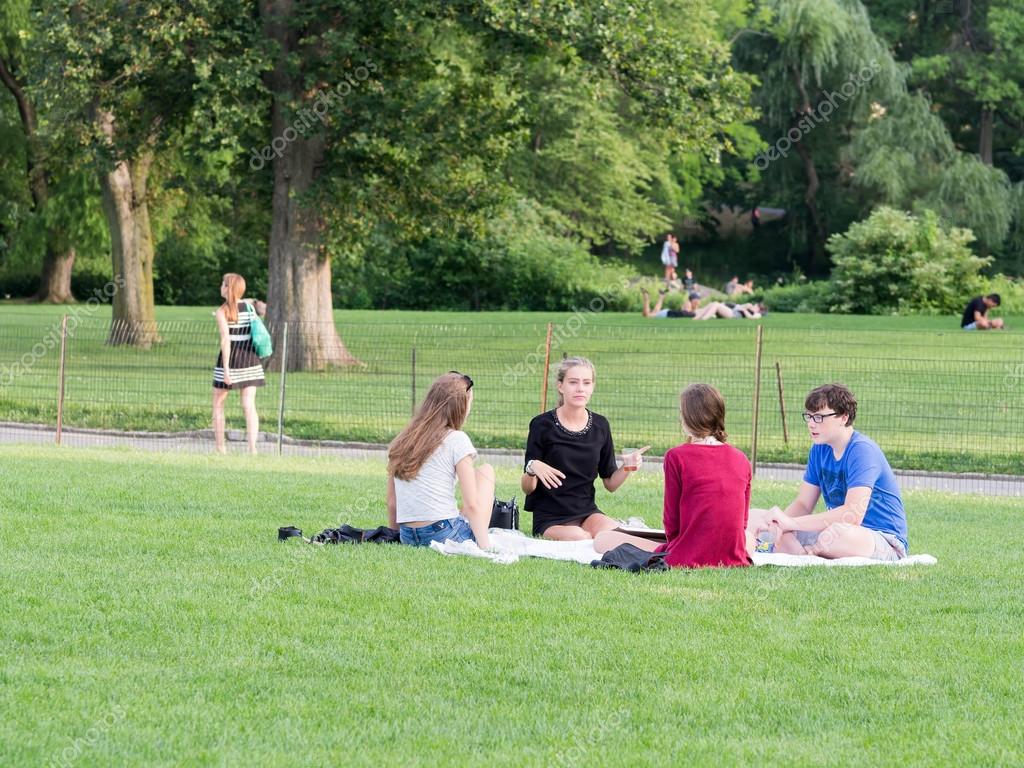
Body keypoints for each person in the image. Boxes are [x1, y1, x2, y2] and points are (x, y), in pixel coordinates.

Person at [595, 383, 751, 568]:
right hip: (733, 554)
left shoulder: (676, 456)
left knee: (603, 539)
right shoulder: (741, 458)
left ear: (687, 418)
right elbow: (743, 521)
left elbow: (672, 522)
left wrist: (680, 545)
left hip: (689, 553)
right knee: (748, 537)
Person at [750, 383, 909, 561]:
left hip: (880, 540)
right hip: (831, 533)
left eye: (818, 417)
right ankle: (801, 554)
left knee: (837, 533)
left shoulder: (862, 450)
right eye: (809, 417)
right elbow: (803, 504)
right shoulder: (819, 449)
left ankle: (796, 550)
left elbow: (852, 515)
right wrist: (780, 524)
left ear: (843, 417)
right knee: (754, 517)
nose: (811, 424)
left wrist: (792, 523)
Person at [522, 357, 647, 540]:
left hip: (587, 514)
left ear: (592, 387)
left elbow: (610, 483)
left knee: (615, 536)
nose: (580, 388)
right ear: (560, 386)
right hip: (550, 518)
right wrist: (532, 467)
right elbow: (527, 488)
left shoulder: (601, 425)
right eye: (573, 382)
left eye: (586, 383)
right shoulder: (541, 425)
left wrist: (628, 467)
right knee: (581, 539)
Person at [386, 372, 495, 548]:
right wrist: (485, 547)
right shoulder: (457, 439)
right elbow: (472, 504)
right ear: (460, 406)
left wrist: (397, 537)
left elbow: (392, 503)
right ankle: (476, 533)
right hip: (444, 533)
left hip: (407, 536)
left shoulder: (403, 439)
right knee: (486, 471)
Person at [212, 273, 266, 455]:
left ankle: (221, 448)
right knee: (249, 405)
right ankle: (252, 448)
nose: (220, 286)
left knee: (218, 404)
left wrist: (226, 370)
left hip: (231, 361)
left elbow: (226, 341)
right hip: (251, 360)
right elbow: (259, 306)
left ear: (228, 288)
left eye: (223, 284)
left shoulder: (222, 311)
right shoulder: (250, 307)